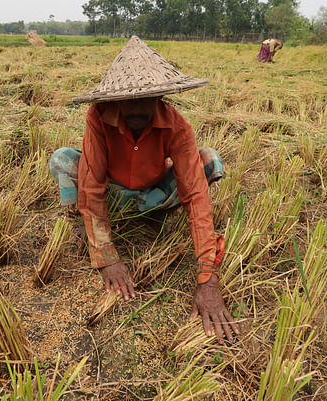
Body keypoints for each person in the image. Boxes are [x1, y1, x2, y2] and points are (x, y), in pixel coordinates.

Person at [50, 36, 239, 344]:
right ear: (115, 98)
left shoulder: (178, 127)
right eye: (128, 99)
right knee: (62, 158)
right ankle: (84, 225)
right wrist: (107, 257)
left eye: (146, 98)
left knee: (208, 159)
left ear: (161, 96)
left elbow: (195, 196)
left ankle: (153, 217)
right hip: (113, 194)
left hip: (155, 196)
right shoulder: (98, 117)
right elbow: (93, 182)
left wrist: (207, 279)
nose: (136, 107)